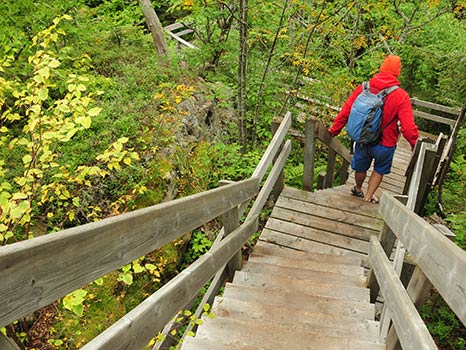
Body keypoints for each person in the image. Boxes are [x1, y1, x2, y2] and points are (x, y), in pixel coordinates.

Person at [329, 55, 419, 203]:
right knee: (379, 170)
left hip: (364, 138)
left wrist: (334, 130)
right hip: (386, 143)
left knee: (361, 167)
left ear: (381, 69)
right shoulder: (401, 96)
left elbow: (346, 111)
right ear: (397, 73)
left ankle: (358, 188)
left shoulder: (364, 88)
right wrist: (414, 143)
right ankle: (368, 197)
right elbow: (408, 127)